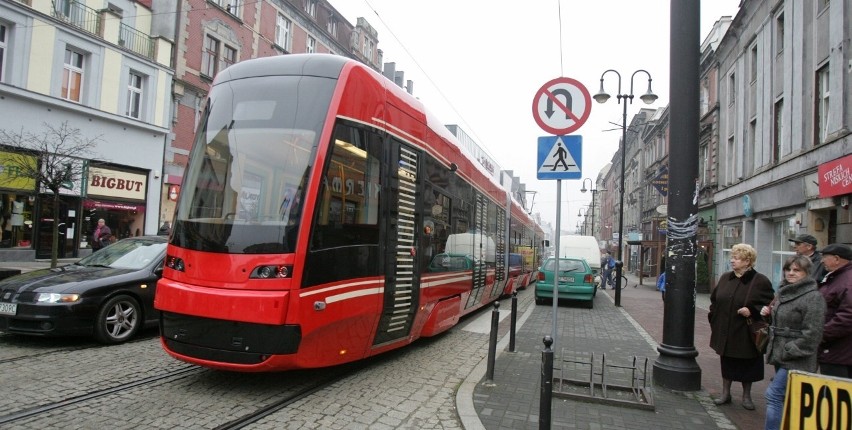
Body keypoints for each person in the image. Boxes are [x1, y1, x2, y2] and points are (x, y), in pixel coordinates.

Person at [761, 255, 825, 430]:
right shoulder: (784, 291)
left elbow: (813, 332)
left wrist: (792, 349)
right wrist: (768, 314)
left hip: (797, 355)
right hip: (780, 352)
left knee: (773, 394)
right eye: (788, 269)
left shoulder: (813, 297)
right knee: (785, 396)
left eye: (796, 270)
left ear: (807, 273)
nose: (791, 273)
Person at [709, 243, 775, 410]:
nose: (732, 261)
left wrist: (752, 311)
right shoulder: (726, 277)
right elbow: (715, 300)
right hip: (726, 330)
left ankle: (746, 396)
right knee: (727, 362)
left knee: (748, 364)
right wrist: (714, 319)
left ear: (748, 261)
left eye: (737, 258)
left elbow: (769, 305)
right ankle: (725, 393)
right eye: (732, 257)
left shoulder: (759, 281)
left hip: (746, 332)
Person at [817, 243, 852, 378]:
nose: (822, 261)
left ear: (837, 259)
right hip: (836, 351)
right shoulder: (837, 277)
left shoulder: (847, 280)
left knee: (839, 396)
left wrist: (820, 334)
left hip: (839, 353)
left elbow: (847, 317)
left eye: (825, 257)